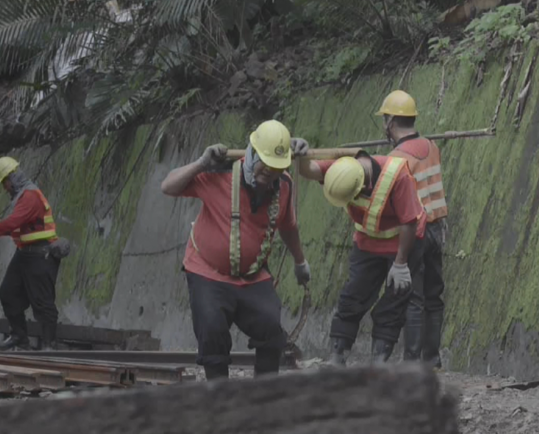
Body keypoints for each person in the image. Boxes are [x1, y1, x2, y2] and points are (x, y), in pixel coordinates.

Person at [161, 120, 311, 380]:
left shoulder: (283, 185)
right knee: (212, 332)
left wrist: (300, 262)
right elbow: (168, 187)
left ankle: (263, 396)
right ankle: (220, 397)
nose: (269, 176)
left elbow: (289, 226)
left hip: (252, 276)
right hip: (208, 272)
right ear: (252, 153)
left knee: (270, 327)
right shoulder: (218, 173)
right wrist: (200, 163)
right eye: (265, 167)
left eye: (276, 169)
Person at [295, 134, 426, 365]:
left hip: (403, 241)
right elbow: (311, 170)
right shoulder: (343, 168)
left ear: (364, 185)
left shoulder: (397, 176)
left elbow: (409, 222)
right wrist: (301, 157)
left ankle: (379, 361)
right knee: (352, 296)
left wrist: (401, 263)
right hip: (367, 241)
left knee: (395, 299)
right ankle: (337, 355)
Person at [0, 157, 70, 351]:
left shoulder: (30, 197)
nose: (5, 188)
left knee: (43, 302)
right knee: (8, 293)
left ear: (12, 177)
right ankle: (19, 336)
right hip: (25, 254)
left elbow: (12, 223)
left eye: (5, 182)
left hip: (41, 255)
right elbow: (13, 227)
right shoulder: (22, 197)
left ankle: (49, 345)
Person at [384, 91, 448, 368]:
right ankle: (431, 359)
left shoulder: (396, 158)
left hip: (417, 232)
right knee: (434, 296)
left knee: (414, 298)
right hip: (438, 228)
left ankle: (411, 362)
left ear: (390, 122)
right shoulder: (432, 146)